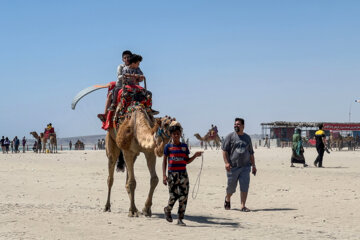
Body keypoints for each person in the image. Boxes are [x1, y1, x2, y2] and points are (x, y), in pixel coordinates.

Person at [162, 125, 202, 226]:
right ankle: (168, 209)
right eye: (174, 134)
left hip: (183, 174)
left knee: (183, 196)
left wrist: (195, 156)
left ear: (180, 135)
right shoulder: (168, 147)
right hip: (172, 175)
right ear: (171, 135)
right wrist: (164, 175)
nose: (176, 135)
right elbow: (164, 161)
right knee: (173, 195)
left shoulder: (184, 147)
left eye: (178, 134)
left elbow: (187, 161)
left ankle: (180, 219)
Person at [222, 118, 256, 212]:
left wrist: (254, 166)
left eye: (238, 124)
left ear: (243, 126)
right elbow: (224, 150)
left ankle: (243, 205)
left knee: (244, 186)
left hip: (245, 167)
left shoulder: (247, 138)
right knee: (231, 187)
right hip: (233, 167)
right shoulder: (230, 136)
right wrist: (226, 163)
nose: (236, 126)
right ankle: (227, 198)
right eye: (235, 124)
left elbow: (251, 153)